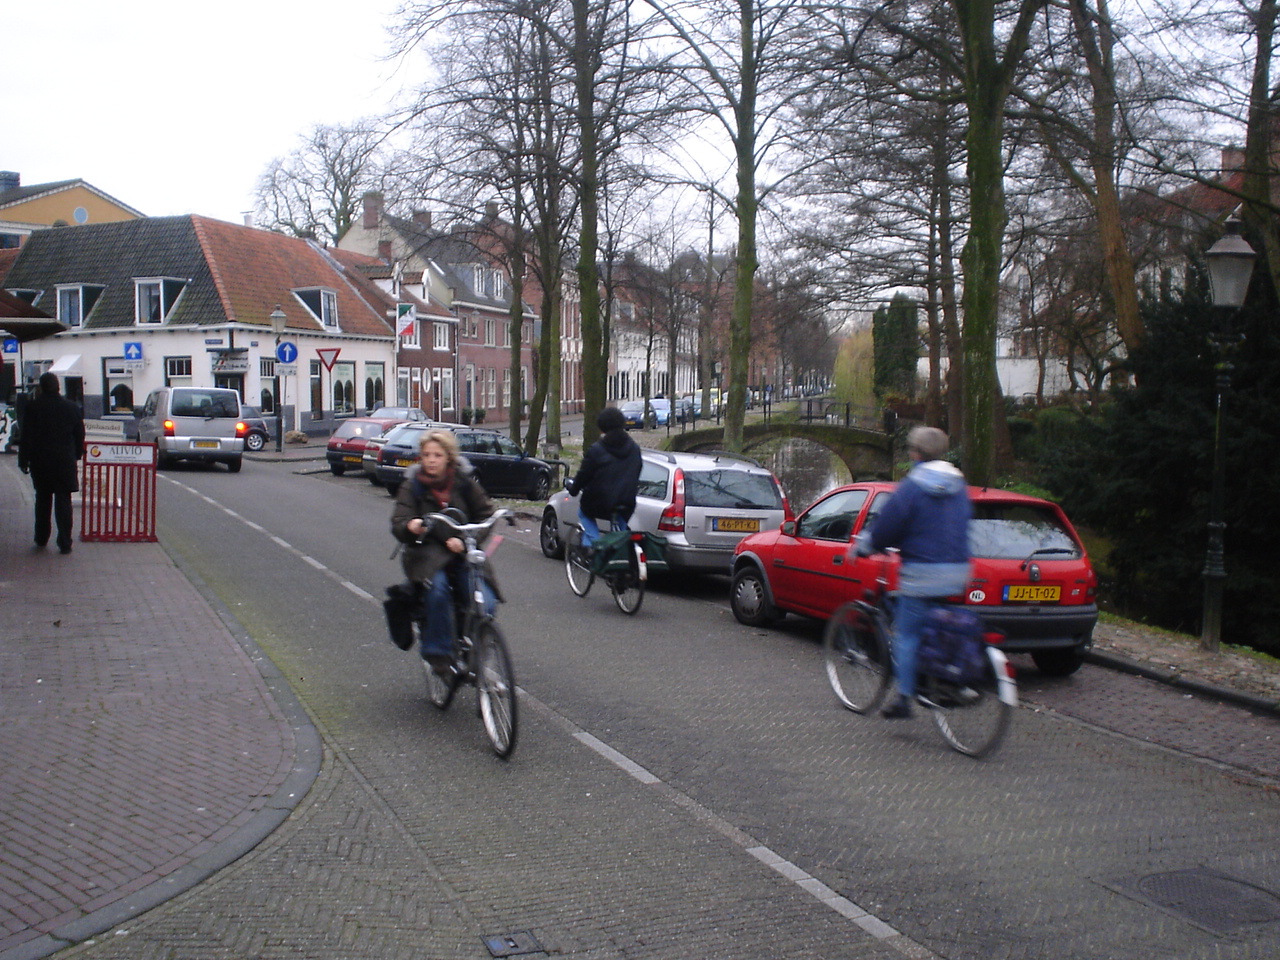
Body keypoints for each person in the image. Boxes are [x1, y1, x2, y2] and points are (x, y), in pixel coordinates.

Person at [853, 426, 972, 719]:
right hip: (958, 571)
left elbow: (887, 526)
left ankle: (904, 700)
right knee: (941, 624)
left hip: (922, 572)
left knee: (906, 635)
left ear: (916, 453)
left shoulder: (912, 486)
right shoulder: (960, 486)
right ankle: (945, 679)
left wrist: (864, 546)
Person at [390, 429, 499, 678]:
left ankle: (471, 643)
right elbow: (399, 521)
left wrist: (464, 539)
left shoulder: (464, 482)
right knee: (437, 591)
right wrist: (410, 526)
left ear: (448, 457)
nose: (431, 460)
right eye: (426, 454)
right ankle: (438, 653)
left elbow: (485, 516)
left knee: (486, 600)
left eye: (437, 455)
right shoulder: (412, 485)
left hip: (462, 553)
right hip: (426, 555)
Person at [18, 373, 85, 555]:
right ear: (58, 387)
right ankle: (65, 542)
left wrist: (23, 460)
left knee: (43, 499)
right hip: (64, 460)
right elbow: (79, 434)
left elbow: (27, 436)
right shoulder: (71, 407)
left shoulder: (33, 407)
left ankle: (41, 537)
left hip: (41, 461)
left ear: (41, 387)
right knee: (64, 500)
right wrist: (77, 454)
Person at [566, 406, 642, 551]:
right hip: (627, 502)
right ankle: (622, 549)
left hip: (598, 503)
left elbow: (584, 475)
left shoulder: (597, 449)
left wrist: (573, 489)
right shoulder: (634, 449)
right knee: (621, 525)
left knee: (584, 513)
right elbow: (636, 472)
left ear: (602, 428)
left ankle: (595, 546)